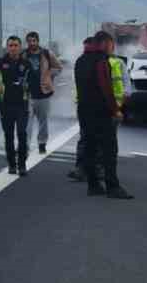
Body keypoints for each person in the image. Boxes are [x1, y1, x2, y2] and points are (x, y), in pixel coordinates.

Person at [74, 31, 133, 199]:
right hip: (101, 112)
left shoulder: (80, 61)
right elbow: (106, 88)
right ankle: (112, 186)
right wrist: (115, 110)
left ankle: (93, 185)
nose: (112, 47)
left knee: (90, 148)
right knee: (109, 149)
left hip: (84, 111)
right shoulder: (101, 62)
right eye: (110, 44)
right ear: (105, 43)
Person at [0, 35, 35, 175]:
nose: (13, 48)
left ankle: (22, 165)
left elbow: (34, 81)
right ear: (7, 47)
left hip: (22, 105)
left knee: (22, 133)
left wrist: (28, 87)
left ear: (20, 47)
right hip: (5, 104)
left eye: (15, 45)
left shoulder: (26, 64)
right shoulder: (1, 63)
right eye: (10, 45)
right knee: (8, 135)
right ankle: (12, 165)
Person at [22, 32, 62, 153]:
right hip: (28, 94)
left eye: (34, 40)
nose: (32, 43)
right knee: (26, 123)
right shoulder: (23, 55)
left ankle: (42, 143)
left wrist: (49, 75)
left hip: (44, 93)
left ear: (38, 41)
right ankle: (25, 145)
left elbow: (58, 67)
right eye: (29, 41)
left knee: (43, 122)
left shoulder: (46, 53)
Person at [67, 36, 95, 183]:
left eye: (88, 46)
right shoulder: (81, 61)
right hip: (85, 107)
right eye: (85, 46)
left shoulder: (103, 61)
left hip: (98, 108)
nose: (85, 49)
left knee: (98, 140)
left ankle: (97, 169)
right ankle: (81, 169)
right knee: (84, 138)